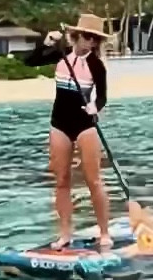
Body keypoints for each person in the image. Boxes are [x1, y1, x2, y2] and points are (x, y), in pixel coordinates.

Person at [27, 13, 112, 251]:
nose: (91, 42)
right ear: (76, 36)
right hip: (59, 124)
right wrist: (44, 43)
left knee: (93, 180)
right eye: (87, 37)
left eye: (95, 39)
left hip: (85, 125)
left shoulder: (96, 65)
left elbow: (103, 95)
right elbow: (30, 62)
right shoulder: (60, 54)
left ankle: (104, 233)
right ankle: (65, 233)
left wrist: (96, 106)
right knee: (62, 180)